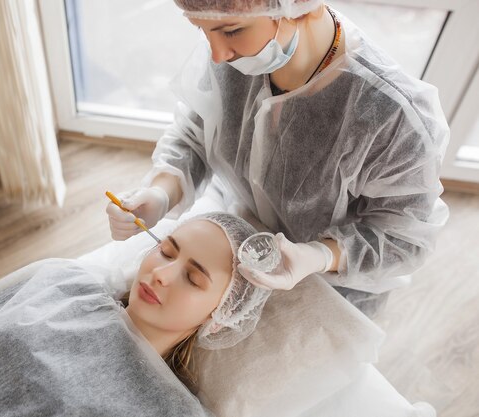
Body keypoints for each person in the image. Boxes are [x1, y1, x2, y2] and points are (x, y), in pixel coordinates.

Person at [107, 0, 449, 317]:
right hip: (238, 246)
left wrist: (319, 255)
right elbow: (196, 135)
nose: (216, 54)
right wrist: (161, 192)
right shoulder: (236, 57)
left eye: (231, 31)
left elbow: (403, 237)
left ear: (299, 6)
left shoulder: (392, 117)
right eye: (202, 29)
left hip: (331, 289)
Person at [0, 213, 269, 417]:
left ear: (221, 316)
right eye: (166, 250)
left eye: (193, 279)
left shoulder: (170, 411)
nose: (161, 275)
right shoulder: (62, 281)